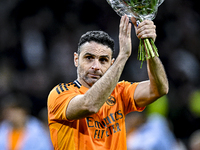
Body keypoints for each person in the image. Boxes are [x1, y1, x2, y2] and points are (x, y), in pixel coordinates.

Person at [47, 15, 169, 150]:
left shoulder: (120, 91)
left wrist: (148, 46)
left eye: (103, 60)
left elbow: (159, 88)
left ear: (111, 63)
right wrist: (123, 56)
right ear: (76, 59)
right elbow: (89, 105)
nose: (96, 66)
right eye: (89, 58)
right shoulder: (60, 93)